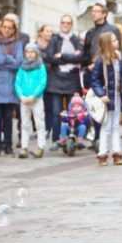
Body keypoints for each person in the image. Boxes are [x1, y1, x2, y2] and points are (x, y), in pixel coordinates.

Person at [91, 32, 122, 166]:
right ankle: (102, 154)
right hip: (107, 99)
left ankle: (117, 153)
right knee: (106, 126)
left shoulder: (119, 57)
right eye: (114, 41)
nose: (117, 42)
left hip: (117, 97)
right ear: (107, 44)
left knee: (115, 125)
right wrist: (101, 94)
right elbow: (95, 80)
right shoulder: (100, 60)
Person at [0, 16, 23, 156]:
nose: (6, 30)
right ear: (0, 28)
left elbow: (18, 63)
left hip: (10, 84)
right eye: (4, 27)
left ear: (14, 30)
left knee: (8, 118)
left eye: (9, 28)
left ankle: (8, 145)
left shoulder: (18, 43)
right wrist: (8, 58)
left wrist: (0, 63)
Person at [44, 14, 83, 146]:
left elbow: (81, 57)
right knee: (56, 113)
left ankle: (74, 138)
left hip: (72, 80)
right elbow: (49, 57)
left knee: (75, 111)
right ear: (60, 24)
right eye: (63, 22)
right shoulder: (54, 39)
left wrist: (62, 55)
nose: (65, 25)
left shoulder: (76, 40)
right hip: (56, 80)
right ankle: (57, 140)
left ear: (71, 25)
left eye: (68, 23)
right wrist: (71, 57)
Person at [15, 42, 48, 159]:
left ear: (36, 53)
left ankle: (40, 147)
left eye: (32, 52)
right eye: (27, 52)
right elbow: (17, 83)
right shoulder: (22, 68)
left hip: (36, 99)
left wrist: (34, 96)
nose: (29, 54)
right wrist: (21, 96)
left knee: (39, 123)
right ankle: (24, 147)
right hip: (24, 99)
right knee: (24, 123)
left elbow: (42, 82)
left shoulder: (40, 67)